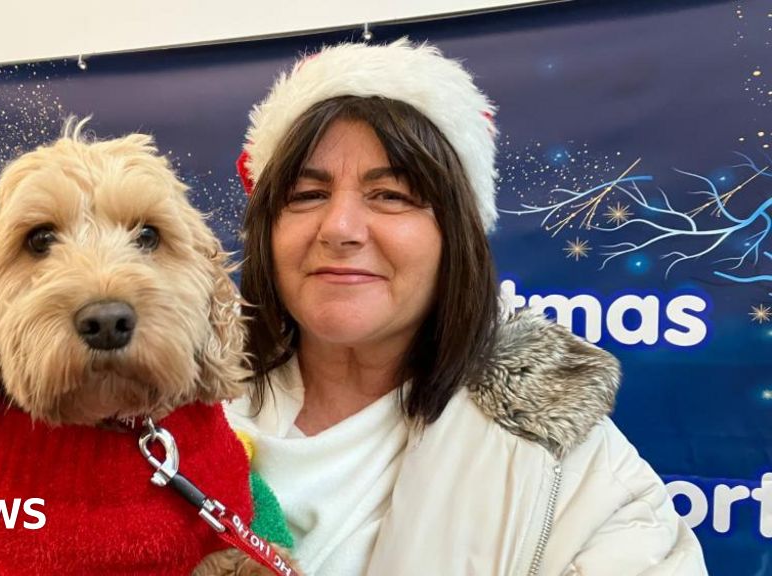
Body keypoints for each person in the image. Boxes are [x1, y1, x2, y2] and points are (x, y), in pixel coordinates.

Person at [225, 39, 708, 576]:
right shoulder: (163, 407)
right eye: (306, 195)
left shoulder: (565, 467)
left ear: (457, 235)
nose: (338, 229)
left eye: (391, 195)